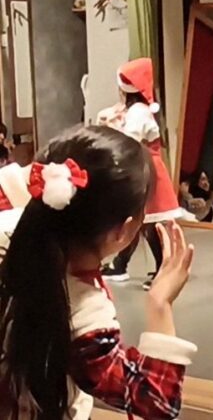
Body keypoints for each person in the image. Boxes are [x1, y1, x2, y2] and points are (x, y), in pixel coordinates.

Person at [0, 125, 196, 419]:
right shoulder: (83, 313)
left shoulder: (9, 234)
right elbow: (155, 400)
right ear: (124, 230)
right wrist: (160, 305)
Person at [98, 58, 184, 289]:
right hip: (143, 165)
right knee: (137, 219)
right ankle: (121, 264)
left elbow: (131, 139)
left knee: (147, 222)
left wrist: (112, 128)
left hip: (146, 168)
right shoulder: (135, 110)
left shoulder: (138, 111)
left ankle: (161, 267)